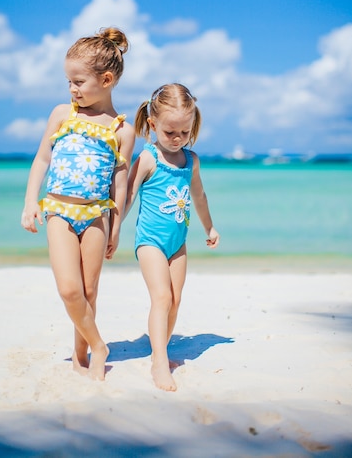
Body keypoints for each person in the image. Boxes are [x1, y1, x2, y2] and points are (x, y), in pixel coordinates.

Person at [21, 27, 135, 381]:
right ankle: (100, 345)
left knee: (89, 291)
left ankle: (81, 355)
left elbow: (121, 183)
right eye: (69, 81)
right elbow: (42, 159)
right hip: (59, 209)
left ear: (106, 79)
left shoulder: (122, 130)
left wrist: (116, 226)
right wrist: (30, 203)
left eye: (79, 82)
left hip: (97, 215)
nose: (72, 89)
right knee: (70, 290)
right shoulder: (61, 114)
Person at [125, 83, 220, 391]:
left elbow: (200, 195)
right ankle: (158, 362)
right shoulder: (149, 158)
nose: (178, 139)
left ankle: (160, 350)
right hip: (150, 241)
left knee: (175, 301)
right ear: (153, 125)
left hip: (177, 244)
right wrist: (111, 230)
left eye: (185, 133)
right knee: (162, 297)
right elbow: (127, 196)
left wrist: (210, 227)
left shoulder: (190, 161)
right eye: (170, 133)